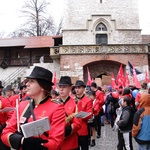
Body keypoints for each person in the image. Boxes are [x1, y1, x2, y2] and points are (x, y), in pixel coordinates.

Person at [1, 66, 66, 150]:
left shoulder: (57, 107)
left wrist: (35, 145)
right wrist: (22, 140)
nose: (27, 84)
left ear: (42, 87)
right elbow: (5, 133)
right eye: (28, 81)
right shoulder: (22, 105)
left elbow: (56, 142)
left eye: (32, 81)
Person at [57, 76, 81, 150]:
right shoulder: (54, 102)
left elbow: (78, 123)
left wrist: (63, 132)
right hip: (57, 143)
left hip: (70, 142)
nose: (61, 89)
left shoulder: (76, 103)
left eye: (64, 87)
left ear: (70, 88)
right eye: (60, 86)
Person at [74, 80, 93, 150]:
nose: (77, 89)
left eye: (79, 88)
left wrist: (78, 114)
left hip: (82, 129)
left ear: (83, 88)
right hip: (73, 130)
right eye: (76, 88)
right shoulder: (72, 99)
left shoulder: (88, 100)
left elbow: (89, 114)